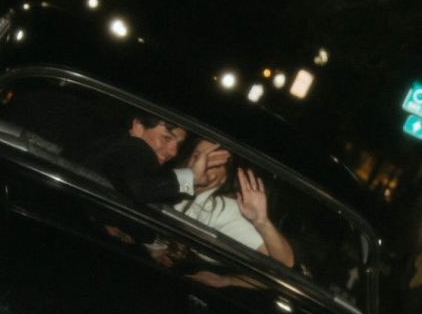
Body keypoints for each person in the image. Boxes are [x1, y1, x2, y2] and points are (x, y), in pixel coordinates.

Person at [175, 139, 295, 270]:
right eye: (197, 156)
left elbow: (284, 262)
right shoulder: (173, 181)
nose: (201, 163)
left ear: (224, 178)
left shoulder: (224, 210)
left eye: (214, 160)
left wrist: (261, 221)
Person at [95, 113, 227, 203]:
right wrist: (191, 177)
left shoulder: (115, 146)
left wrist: (195, 183)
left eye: (178, 145)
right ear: (138, 127)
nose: (174, 152)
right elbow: (139, 188)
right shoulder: (129, 147)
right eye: (166, 138)